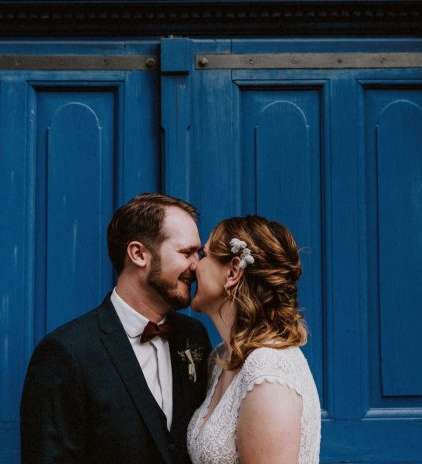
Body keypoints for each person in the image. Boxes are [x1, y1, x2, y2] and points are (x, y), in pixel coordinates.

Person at [21, 192, 213, 464]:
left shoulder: (193, 336)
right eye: (186, 253)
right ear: (138, 254)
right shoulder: (67, 353)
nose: (197, 267)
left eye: (199, 253)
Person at [187, 215, 321, 464]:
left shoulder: (269, 369)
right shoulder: (220, 359)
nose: (194, 266)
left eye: (203, 256)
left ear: (234, 271)